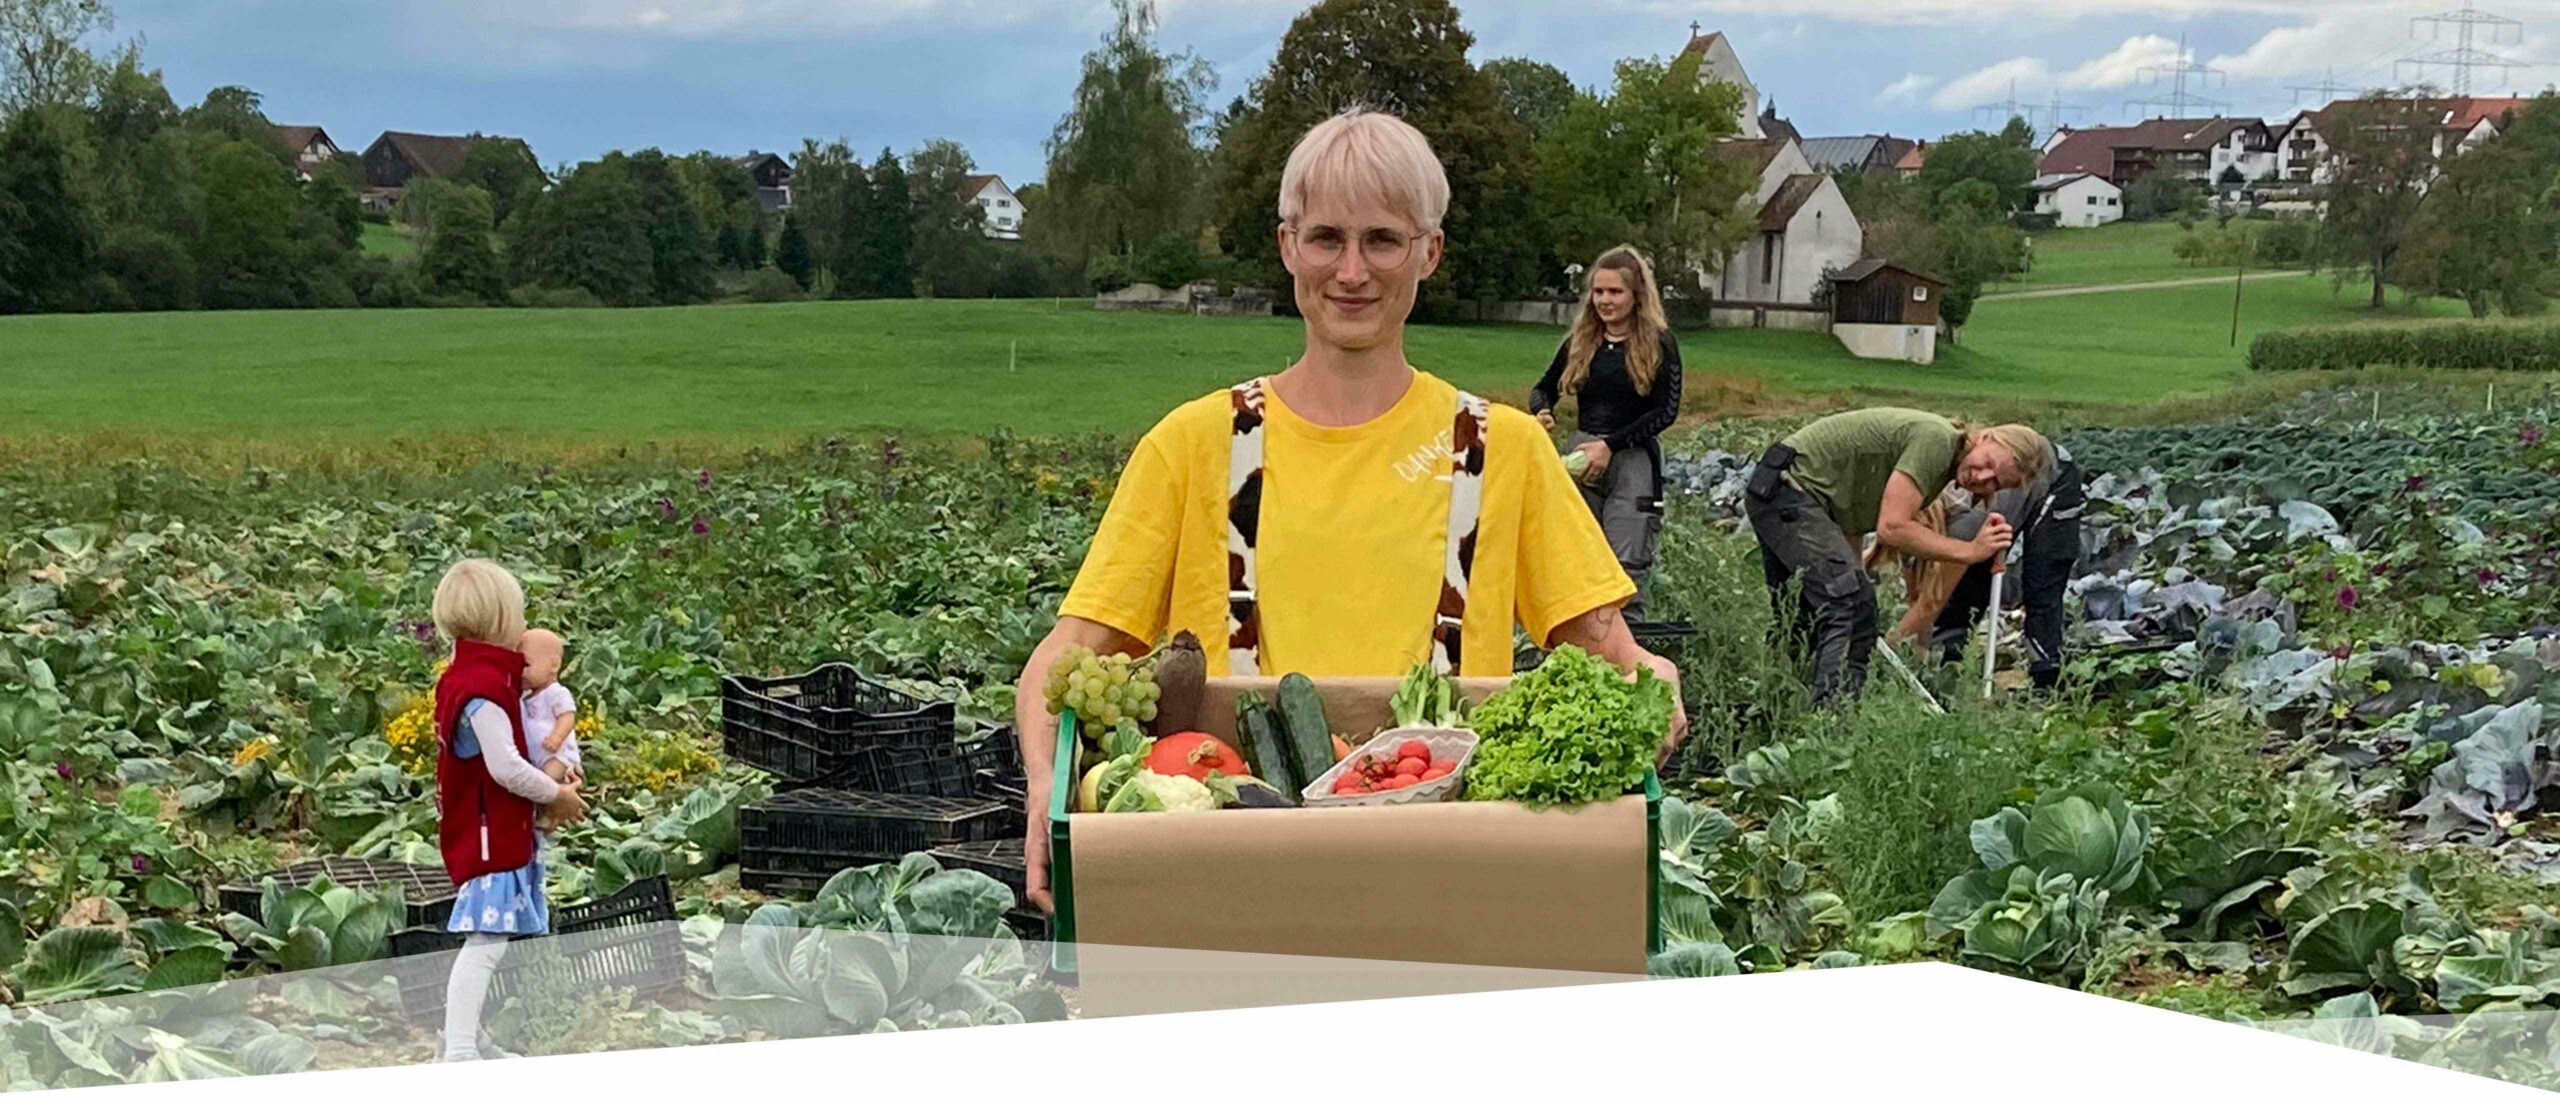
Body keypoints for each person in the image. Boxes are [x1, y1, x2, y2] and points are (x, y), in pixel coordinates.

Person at [1010, 109, 1688, 914]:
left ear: (1428, 252)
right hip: (1226, 878)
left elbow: (1611, 652)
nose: (1352, 271)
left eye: (1383, 240)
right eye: (1327, 237)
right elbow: (1066, 658)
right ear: (1287, 245)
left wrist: (1654, 680)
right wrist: (1045, 791)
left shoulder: (1501, 449)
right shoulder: (1193, 446)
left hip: (1440, 879)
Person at [1743, 408, 2052, 704]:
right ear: (1987, 437)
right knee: (1850, 607)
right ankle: (1832, 720)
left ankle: (1779, 705)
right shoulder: (1936, 441)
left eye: (1995, 483)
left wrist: (1853, 573)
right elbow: (1892, 527)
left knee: (1801, 614)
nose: (1981, 477)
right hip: (1788, 489)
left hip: (1782, 491)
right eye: (1988, 464)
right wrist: (1970, 552)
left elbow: (1848, 513)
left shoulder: (1943, 467)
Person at [428, 560, 586, 1063]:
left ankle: (466, 1038)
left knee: (490, 941)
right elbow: (506, 768)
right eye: (518, 616)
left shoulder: (476, 677)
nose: (523, 628)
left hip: (486, 828)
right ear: (499, 620)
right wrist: (554, 795)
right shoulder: (482, 691)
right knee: (486, 942)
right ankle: (458, 1052)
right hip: (487, 835)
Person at [1528, 246, 1684, 619]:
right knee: (1576, 564)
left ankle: (1628, 658)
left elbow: (1666, 411)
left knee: (1625, 569)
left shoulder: (1660, 343)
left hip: (1632, 459)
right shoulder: (1581, 340)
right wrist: (1542, 411)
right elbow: (1542, 387)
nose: (1605, 301)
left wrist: (1611, 446)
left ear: (1636, 296)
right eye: (1599, 292)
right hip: (1582, 458)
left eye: (1615, 292)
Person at [1924, 445, 2087, 692]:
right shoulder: (1908, 512)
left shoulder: (1964, 525)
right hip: (1988, 512)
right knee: (1957, 597)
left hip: (2053, 478)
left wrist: (1904, 634)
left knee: (2040, 586)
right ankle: (1943, 677)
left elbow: (1937, 596)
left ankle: (2046, 683)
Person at [518, 628, 584, 784]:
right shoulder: (526, 696)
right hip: (538, 756)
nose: (520, 672)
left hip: (557, 754)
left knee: (551, 778)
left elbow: (567, 716)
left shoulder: (556, 692)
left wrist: (557, 737)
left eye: (526, 665)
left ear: (554, 665)